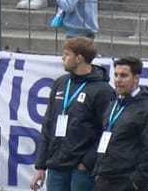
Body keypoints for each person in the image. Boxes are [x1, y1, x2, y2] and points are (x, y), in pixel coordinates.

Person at [31, 37, 110, 191]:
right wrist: (41, 166)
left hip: (81, 170)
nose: (62, 58)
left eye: (66, 54)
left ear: (79, 58)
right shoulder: (61, 83)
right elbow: (48, 124)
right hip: (56, 165)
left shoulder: (102, 91)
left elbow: (107, 131)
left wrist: (87, 162)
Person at [91, 58, 148, 191]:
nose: (118, 80)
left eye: (124, 76)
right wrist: (97, 172)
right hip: (104, 179)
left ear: (136, 78)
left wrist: (138, 181)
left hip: (127, 182)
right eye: (116, 75)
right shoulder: (113, 104)